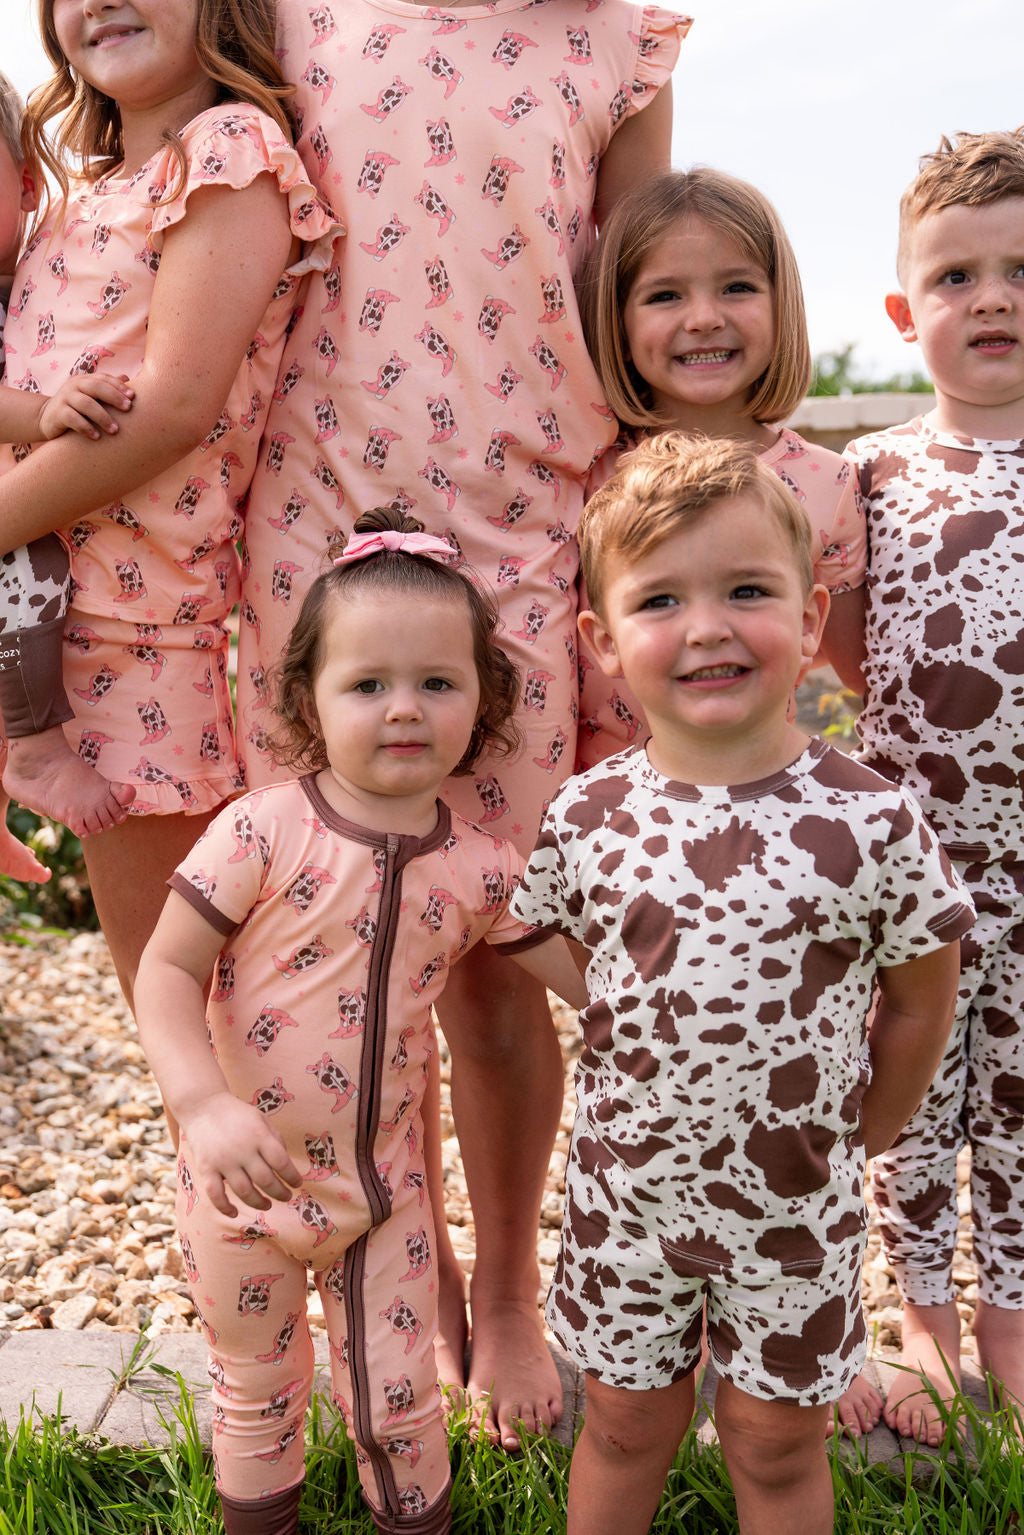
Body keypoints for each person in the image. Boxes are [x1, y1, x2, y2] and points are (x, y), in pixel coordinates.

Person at [237, 0, 691, 1445]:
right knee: (345, 930)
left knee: (495, 947)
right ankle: (393, 1271)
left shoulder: (619, 37)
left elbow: (636, 271)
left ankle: (502, 1292)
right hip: (315, 510)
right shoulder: (290, 10)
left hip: (524, 516)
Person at [509, 432, 973, 1535]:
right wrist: (620, 1001)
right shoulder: (589, 814)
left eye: (747, 591)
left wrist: (876, 1122)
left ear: (810, 620)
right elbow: (527, 934)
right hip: (627, 1205)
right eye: (661, 599)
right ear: (604, 641)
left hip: (796, 1215)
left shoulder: (870, 818)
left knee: (775, 1440)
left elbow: (923, 990)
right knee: (624, 1425)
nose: (708, 626)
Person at [134, 509, 587, 1535]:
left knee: (401, 1404)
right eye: (368, 683)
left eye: (437, 682)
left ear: (484, 699)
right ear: (310, 698)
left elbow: (590, 985)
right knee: (257, 1394)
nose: (404, 707)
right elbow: (167, 967)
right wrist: (200, 1102)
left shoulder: (478, 865)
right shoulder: (261, 830)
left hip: (383, 1202)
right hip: (242, 1190)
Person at [0, 0, 337, 1010]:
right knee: (166, 998)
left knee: (190, 1002)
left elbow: (175, 410)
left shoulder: (226, 149)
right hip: (38, 610)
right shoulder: (77, 195)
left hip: (136, 623)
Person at [828, 128, 1024, 1446]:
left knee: (1015, 1103)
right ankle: (922, 1316)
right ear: (906, 312)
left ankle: (1009, 1312)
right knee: (909, 1093)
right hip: (922, 868)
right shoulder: (878, 473)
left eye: (1019, 271)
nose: (992, 298)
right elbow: (855, 650)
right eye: (956, 276)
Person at [574, 165, 869, 772]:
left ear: (781, 304)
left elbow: (856, 668)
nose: (704, 317)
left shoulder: (829, 483)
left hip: (756, 797)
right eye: (665, 295)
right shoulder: (581, 470)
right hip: (601, 805)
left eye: (737, 287)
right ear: (618, 321)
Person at [0, 67, 136, 883]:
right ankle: (35, 745)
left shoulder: (39, 274)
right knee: (32, 565)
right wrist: (46, 410)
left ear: (25, 185)